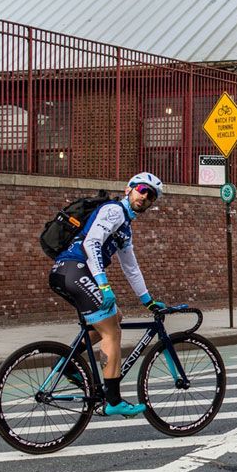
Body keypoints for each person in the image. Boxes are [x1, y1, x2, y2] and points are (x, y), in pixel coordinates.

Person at [48, 172, 165, 417]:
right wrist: (102, 284)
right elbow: (91, 243)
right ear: (128, 189)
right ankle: (113, 400)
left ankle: (68, 363)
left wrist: (148, 300)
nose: (145, 197)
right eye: (142, 189)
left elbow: (130, 267)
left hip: (66, 273)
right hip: (75, 270)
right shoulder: (114, 211)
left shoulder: (125, 229)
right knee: (112, 331)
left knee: (115, 317)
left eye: (152, 195)